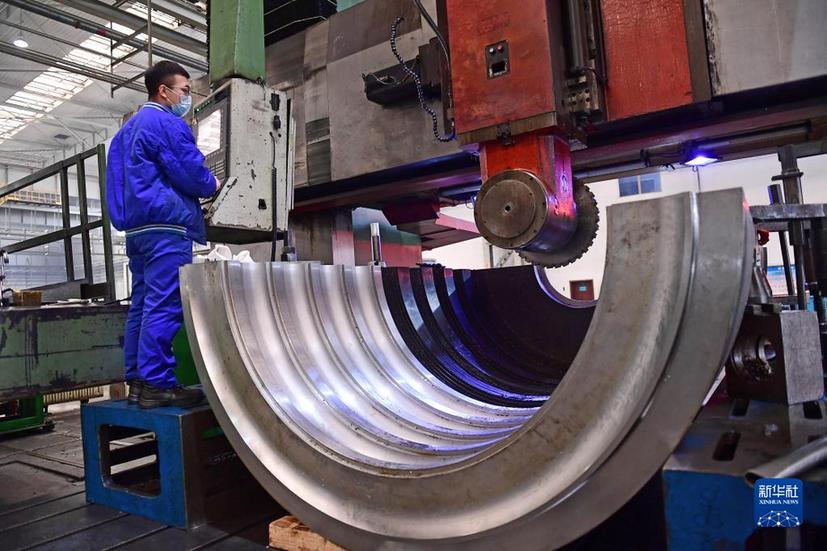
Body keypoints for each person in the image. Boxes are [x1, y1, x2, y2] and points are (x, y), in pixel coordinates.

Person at [106, 60, 219, 409]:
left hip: (136, 231)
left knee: (142, 305)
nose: (187, 96)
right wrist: (212, 183)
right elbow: (189, 171)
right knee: (164, 305)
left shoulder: (124, 133)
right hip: (166, 228)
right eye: (184, 90)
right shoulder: (166, 123)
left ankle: (139, 383)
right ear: (163, 91)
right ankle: (157, 383)